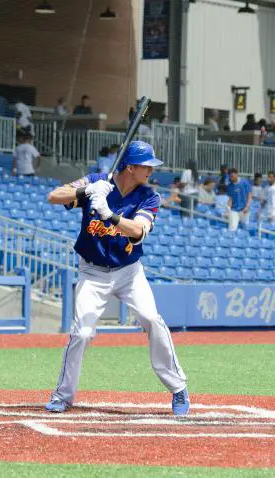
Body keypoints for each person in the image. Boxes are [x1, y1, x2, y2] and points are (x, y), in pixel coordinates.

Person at [44, 140, 189, 416]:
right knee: (82, 332)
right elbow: (54, 196)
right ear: (130, 167)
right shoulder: (98, 182)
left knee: (152, 319)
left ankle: (178, 388)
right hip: (92, 271)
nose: (151, 171)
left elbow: (139, 231)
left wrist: (109, 215)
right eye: (146, 166)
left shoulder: (149, 196)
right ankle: (63, 396)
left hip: (129, 273)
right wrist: (87, 190)